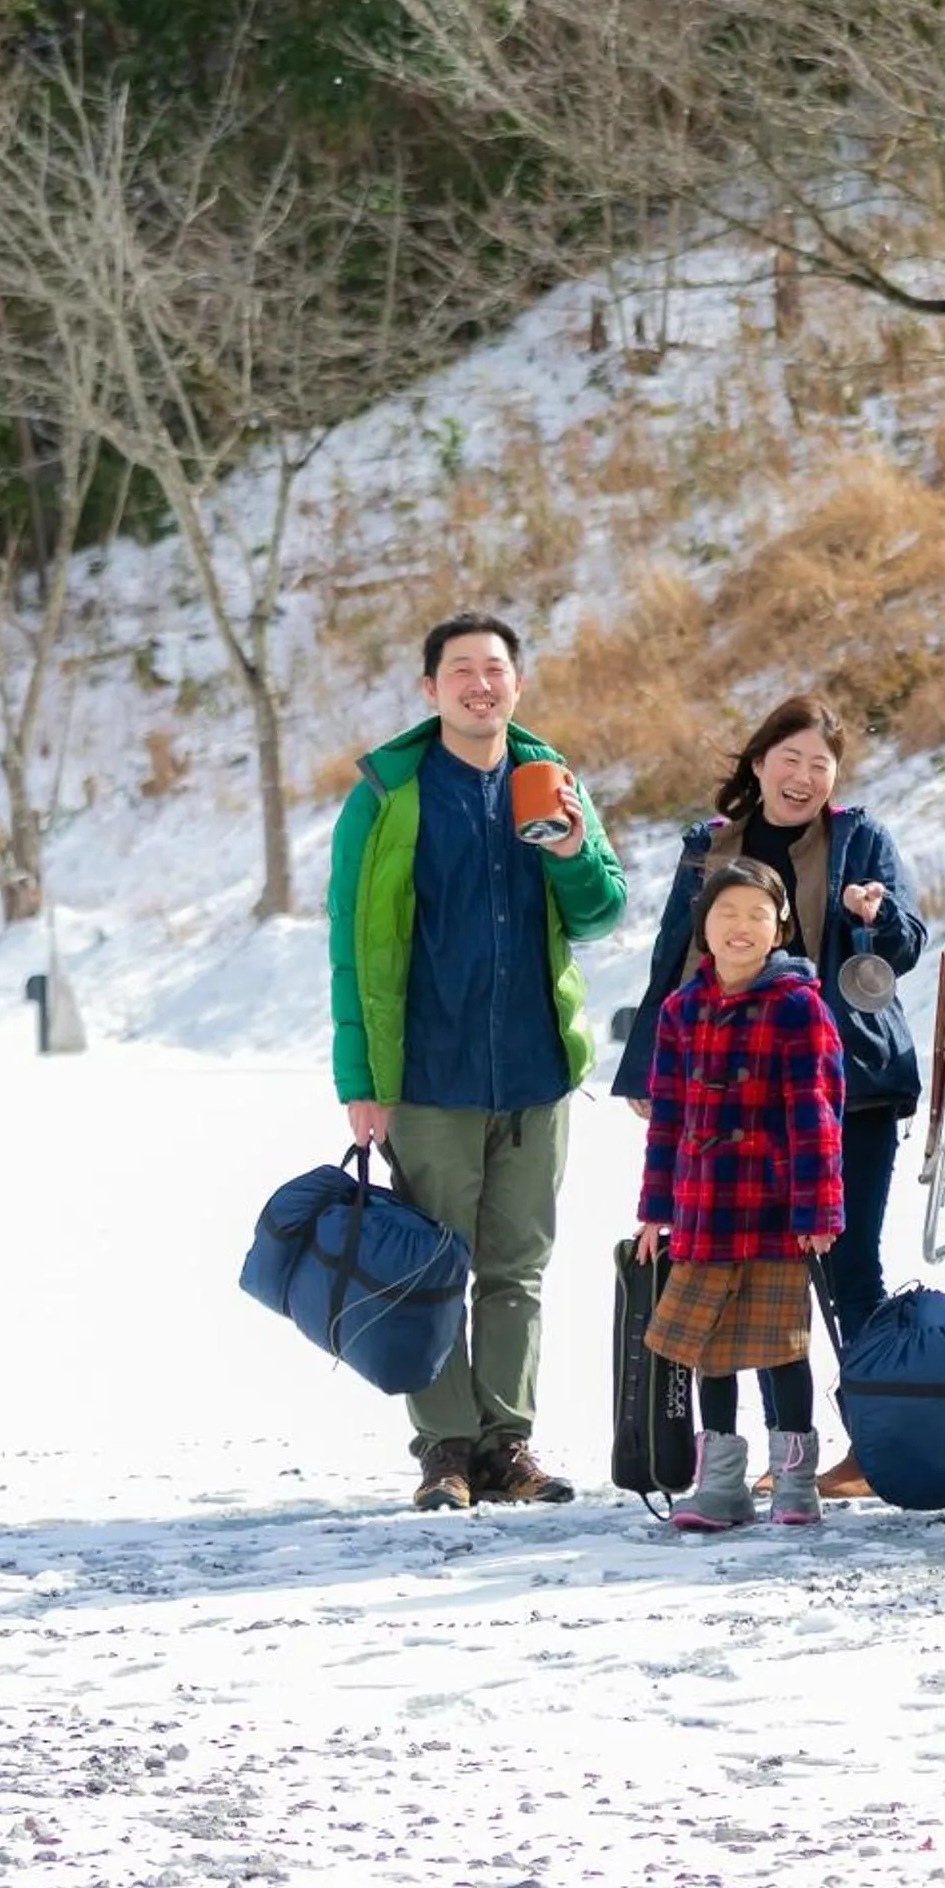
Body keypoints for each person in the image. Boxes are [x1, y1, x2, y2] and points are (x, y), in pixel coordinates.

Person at [326, 612, 628, 1513]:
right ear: (431, 690)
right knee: (430, 1268)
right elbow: (350, 944)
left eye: (494, 669)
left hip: (535, 1070)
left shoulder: (552, 780)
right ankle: (446, 1448)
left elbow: (604, 912)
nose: (479, 684)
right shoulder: (389, 797)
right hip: (427, 1074)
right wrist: (359, 1081)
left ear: (517, 685)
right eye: (460, 670)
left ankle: (509, 1442)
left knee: (517, 1267)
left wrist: (574, 852)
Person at [615, 694, 928, 1499]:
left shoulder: (861, 841)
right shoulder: (709, 848)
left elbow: (906, 949)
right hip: (729, 1106)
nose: (803, 777)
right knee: (730, 1270)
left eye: (820, 765)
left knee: (849, 1267)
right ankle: (754, 1455)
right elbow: (673, 960)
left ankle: (872, 1440)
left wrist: (878, 914)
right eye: (788, 759)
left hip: (844, 1090)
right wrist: (650, 1071)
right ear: (758, 764)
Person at [634, 858, 845, 1531]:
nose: (741, 927)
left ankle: (794, 1482)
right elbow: (667, 1118)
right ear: (705, 927)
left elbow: (816, 1114)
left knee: (782, 1346)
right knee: (708, 1348)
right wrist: (655, 1209)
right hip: (703, 1210)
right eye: (727, 914)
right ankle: (721, 1485)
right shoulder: (681, 1010)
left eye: (757, 914)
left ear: (780, 926)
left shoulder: (798, 1007)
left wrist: (818, 1211)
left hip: (776, 1211)